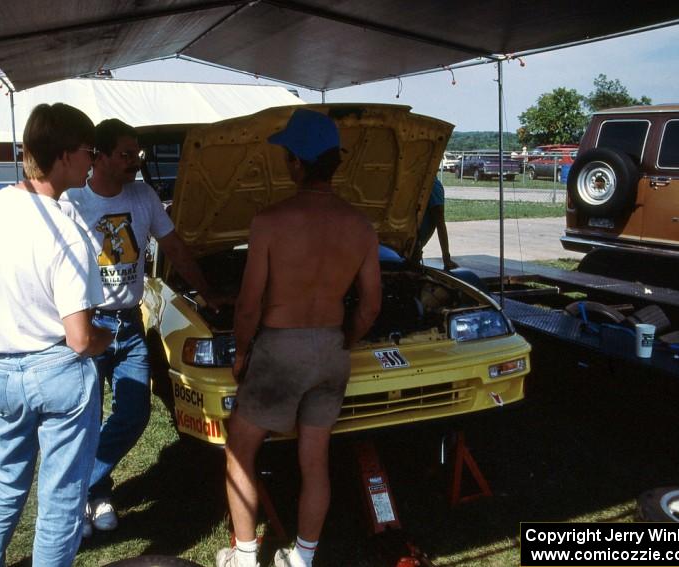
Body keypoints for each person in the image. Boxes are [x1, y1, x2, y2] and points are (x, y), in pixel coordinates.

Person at [0, 103, 113, 567]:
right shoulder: (67, 232)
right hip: (59, 370)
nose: (91, 161)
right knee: (61, 496)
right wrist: (105, 338)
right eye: (89, 152)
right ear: (64, 155)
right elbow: (81, 339)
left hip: (1, 370)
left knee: (7, 474)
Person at [217, 108, 382, 567]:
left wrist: (243, 352)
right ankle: (301, 559)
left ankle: (245, 555)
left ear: (295, 162)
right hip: (331, 348)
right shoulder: (361, 226)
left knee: (239, 447)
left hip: (279, 348)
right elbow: (370, 306)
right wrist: (344, 338)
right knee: (315, 458)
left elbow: (249, 305)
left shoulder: (270, 221)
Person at [60, 118, 220, 537]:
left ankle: (85, 488)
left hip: (129, 326)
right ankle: (93, 497)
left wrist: (207, 292)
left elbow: (175, 249)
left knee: (135, 412)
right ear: (101, 156)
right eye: (126, 155)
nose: (135, 162)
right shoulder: (71, 201)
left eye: (138, 154)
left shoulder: (143, 195)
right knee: (85, 417)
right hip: (86, 321)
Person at [416, 177, 458, 270]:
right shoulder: (433, 185)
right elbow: (440, 223)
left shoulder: (424, 184)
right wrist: (446, 259)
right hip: (412, 249)